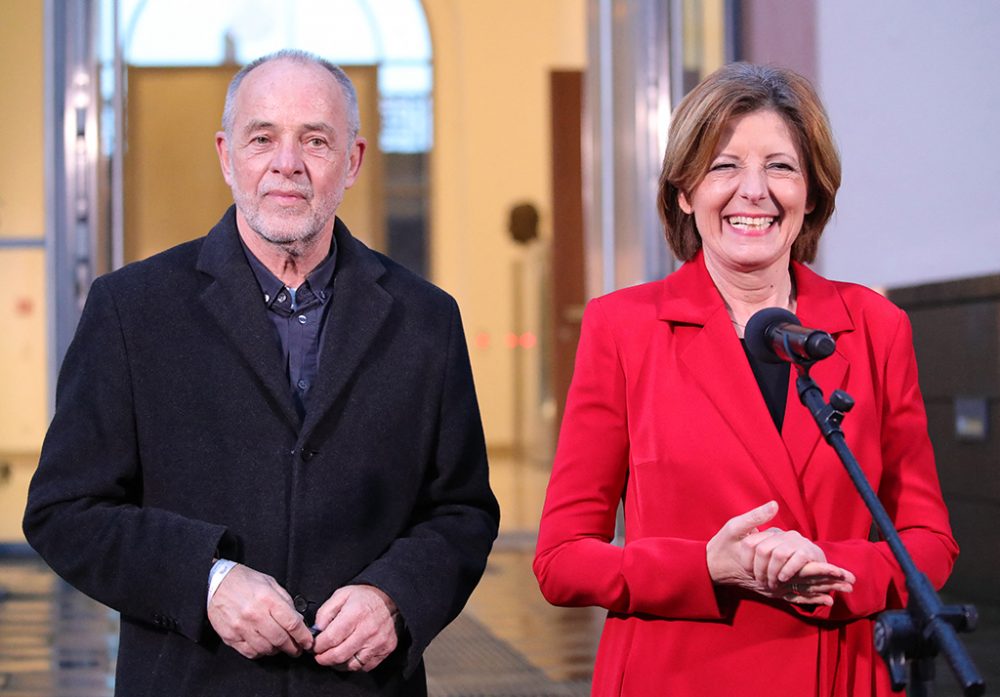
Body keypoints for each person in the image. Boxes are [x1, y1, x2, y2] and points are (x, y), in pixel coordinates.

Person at [23, 49, 499, 697]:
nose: (287, 163)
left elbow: (462, 510)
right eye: (262, 137)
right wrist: (206, 579)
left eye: (315, 140)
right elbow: (65, 511)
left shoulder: (427, 320)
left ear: (353, 160)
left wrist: (393, 593)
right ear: (226, 155)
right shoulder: (132, 310)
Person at [533, 62, 957, 696]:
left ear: (812, 192)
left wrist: (836, 567)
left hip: (837, 669)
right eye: (723, 166)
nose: (753, 191)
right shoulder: (621, 327)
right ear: (684, 191)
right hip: (677, 673)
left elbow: (929, 540)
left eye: (781, 166)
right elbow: (561, 560)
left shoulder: (875, 326)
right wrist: (705, 566)